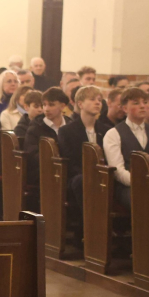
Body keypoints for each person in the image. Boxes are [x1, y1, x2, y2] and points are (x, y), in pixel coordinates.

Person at [58, 85, 105, 223]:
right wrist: (91, 174)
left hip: (102, 174)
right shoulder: (67, 131)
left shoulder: (106, 130)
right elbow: (70, 161)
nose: (97, 103)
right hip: (77, 176)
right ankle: (90, 224)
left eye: (99, 100)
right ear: (80, 104)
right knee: (82, 181)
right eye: (92, 99)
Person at [103, 87, 149, 210]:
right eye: (136, 103)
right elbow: (117, 170)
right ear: (125, 108)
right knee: (144, 199)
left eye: (145, 102)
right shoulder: (113, 134)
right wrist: (139, 182)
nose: (142, 106)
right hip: (127, 187)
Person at [24, 87, 69, 209]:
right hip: (42, 170)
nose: (46, 109)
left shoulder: (70, 125)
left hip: (67, 169)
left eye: (51, 105)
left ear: (62, 106)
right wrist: (54, 161)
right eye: (44, 105)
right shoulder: (36, 127)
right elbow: (32, 154)